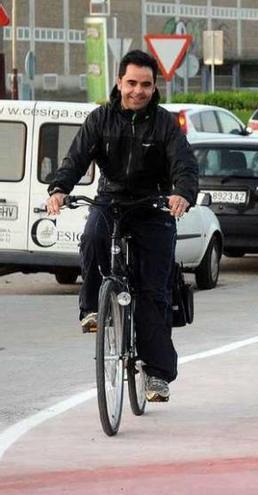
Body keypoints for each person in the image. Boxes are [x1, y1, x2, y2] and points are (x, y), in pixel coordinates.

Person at [45, 50, 199, 402]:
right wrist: (58, 189)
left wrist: (181, 193)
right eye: (131, 83)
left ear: (154, 86)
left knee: (152, 291)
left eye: (145, 85)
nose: (138, 91)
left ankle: (157, 375)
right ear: (119, 82)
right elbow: (75, 159)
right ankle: (92, 309)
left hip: (153, 207)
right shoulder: (100, 119)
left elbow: (184, 166)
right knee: (93, 235)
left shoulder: (164, 124)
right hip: (111, 200)